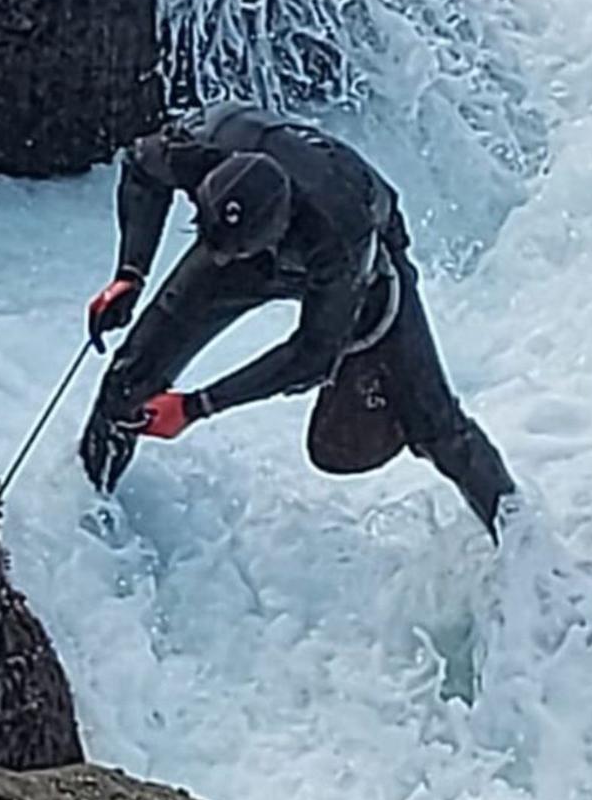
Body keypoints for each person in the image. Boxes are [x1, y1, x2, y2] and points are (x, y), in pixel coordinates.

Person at [79, 103, 516, 542]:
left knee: (435, 427)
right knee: (129, 381)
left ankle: (520, 540)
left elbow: (311, 356)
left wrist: (197, 406)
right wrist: (129, 274)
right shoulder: (201, 146)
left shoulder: (340, 236)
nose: (220, 258)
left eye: (232, 250)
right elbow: (140, 169)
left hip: (364, 265)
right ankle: (91, 523)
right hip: (244, 233)